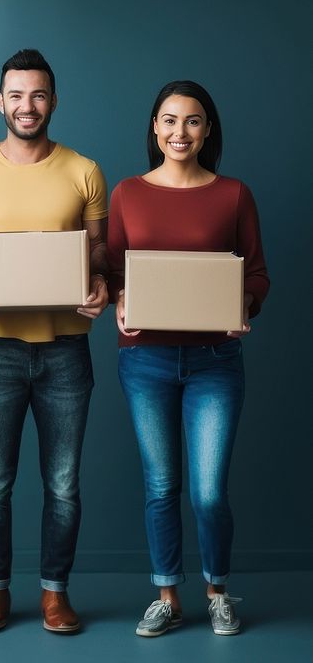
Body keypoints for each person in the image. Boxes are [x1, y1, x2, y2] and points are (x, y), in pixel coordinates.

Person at [0, 48, 108, 634]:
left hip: (67, 345)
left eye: (38, 95)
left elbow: (99, 248)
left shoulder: (84, 169)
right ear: (0, 101)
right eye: (16, 95)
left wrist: (98, 280)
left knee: (63, 483)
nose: (27, 106)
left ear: (53, 101)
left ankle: (54, 593)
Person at [108, 79, 269, 638]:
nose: (181, 132)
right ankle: (168, 596)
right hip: (145, 359)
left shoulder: (234, 194)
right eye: (170, 120)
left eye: (193, 121)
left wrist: (244, 302)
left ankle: (218, 591)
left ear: (207, 131)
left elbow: (255, 271)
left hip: (215, 360)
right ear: (154, 127)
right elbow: (112, 272)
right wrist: (120, 301)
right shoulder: (127, 192)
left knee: (208, 491)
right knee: (160, 486)